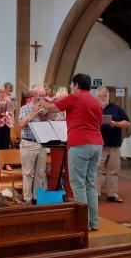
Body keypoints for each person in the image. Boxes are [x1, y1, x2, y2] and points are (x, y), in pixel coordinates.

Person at [39, 73, 103, 231]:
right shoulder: (96, 101)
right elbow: (99, 122)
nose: (71, 88)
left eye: (72, 85)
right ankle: (94, 222)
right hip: (97, 144)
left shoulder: (75, 97)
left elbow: (52, 108)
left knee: (78, 184)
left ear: (75, 85)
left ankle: (83, 222)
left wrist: (41, 100)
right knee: (90, 184)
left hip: (80, 143)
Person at [95, 86, 130, 203]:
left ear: (108, 96)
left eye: (104, 96)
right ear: (96, 97)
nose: (102, 98)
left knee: (114, 170)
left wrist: (116, 123)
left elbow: (127, 123)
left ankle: (112, 193)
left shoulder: (116, 109)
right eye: (99, 96)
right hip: (99, 144)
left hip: (114, 144)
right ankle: (95, 193)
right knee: (98, 170)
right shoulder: (94, 108)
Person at [18, 87, 50, 205]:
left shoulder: (46, 109)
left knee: (40, 173)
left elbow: (48, 126)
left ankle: (37, 197)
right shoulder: (24, 108)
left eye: (44, 96)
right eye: (40, 96)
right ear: (34, 95)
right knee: (28, 173)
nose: (42, 98)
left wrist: (43, 116)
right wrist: (33, 112)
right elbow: (21, 124)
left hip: (41, 144)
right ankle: (27, 198)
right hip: (28, 143)